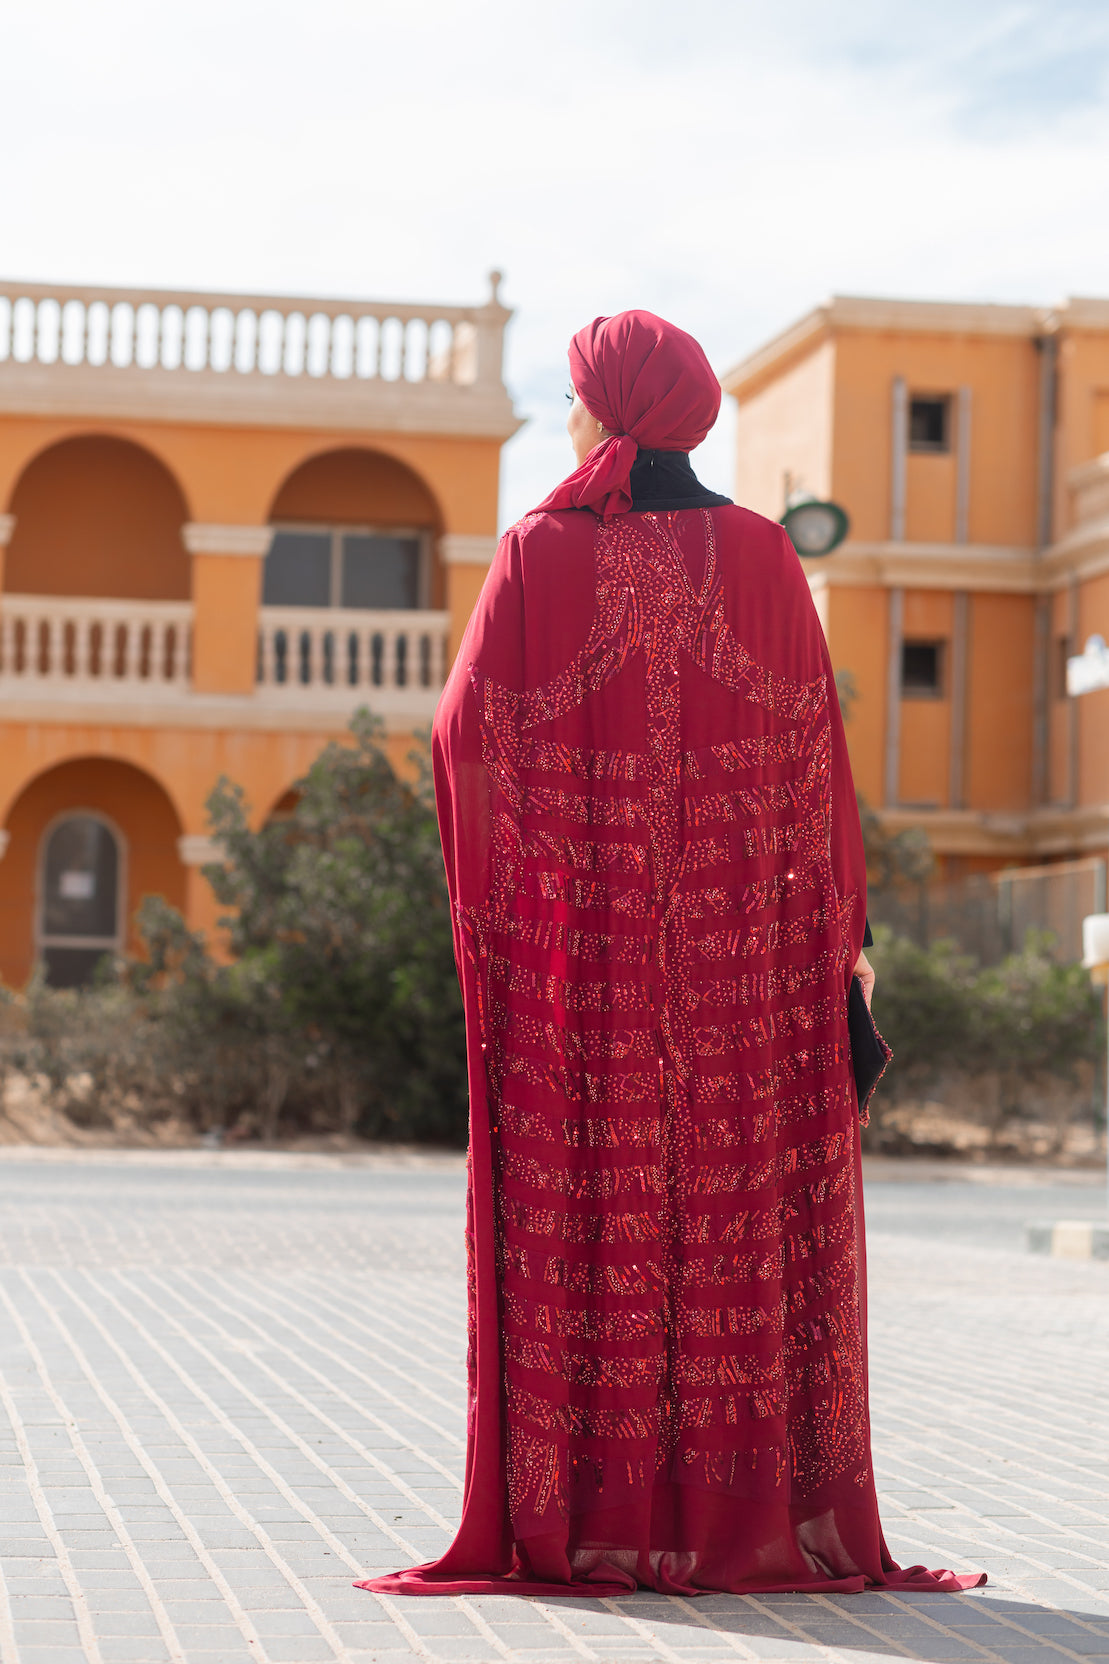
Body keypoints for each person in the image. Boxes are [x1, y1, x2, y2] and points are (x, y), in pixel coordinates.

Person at [358, 311, 985, 1598]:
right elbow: (818, 772)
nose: (567, 421)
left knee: (597, 1213)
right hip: (735, 976)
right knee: (726, 1220)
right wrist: (832, 947)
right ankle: (736, 1516)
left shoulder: (539, 547)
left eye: (578, 396)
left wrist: (532, 901)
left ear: (612, 409)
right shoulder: (761, 555)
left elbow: (462, 740)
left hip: (583, 978)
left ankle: (588, 1515)